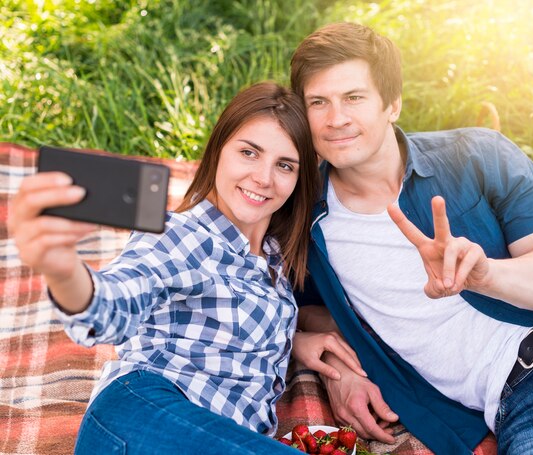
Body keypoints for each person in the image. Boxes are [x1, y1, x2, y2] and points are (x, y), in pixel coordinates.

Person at [288, 22, 533, 454]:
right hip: (523, 405)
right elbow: (298, 309)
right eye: (319, 102)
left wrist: (485, 275)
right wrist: (338, 365)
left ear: (392, 104)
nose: (336, 119)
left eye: (354, 97)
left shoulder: (478, 155)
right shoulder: (305, 224)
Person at [8, 82, 363, 454]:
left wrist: (292, 341)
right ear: (218, 151)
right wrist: (64, 270)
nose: (263, 178)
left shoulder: (275, 256)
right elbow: (116, 301)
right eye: (248, 152)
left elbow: (229, 332)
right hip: (140, 415)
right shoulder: (182, 236)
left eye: (284, 165)